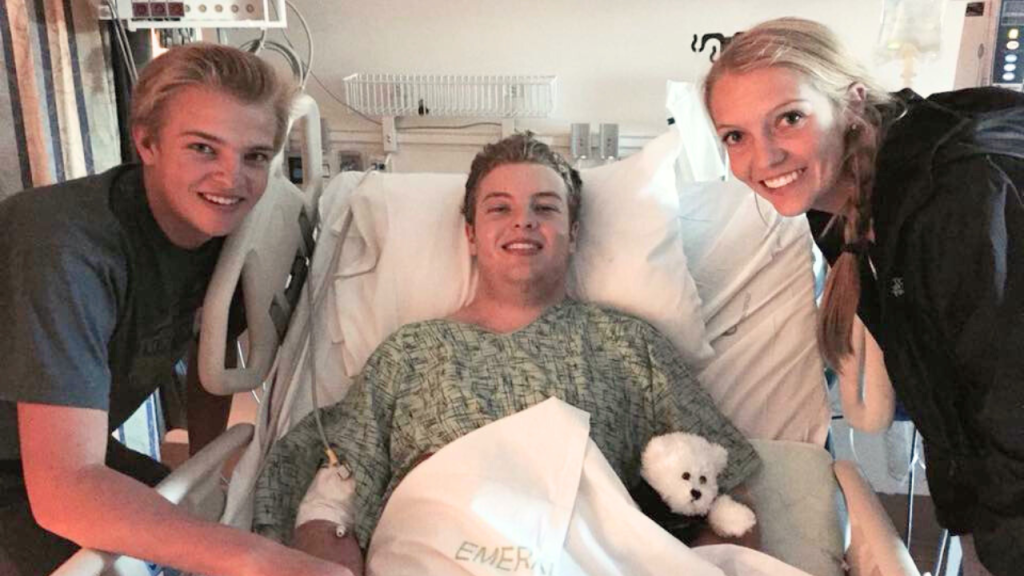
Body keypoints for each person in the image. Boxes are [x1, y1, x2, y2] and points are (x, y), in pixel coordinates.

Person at [251, 133, 763, 573]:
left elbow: (725, 498)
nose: (523, 222)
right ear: (471, 235)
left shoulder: (628, 343)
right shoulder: (409, 352)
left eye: (545, 207)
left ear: (573, 233)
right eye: (500, 208)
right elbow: (331, 502)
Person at [0, 43, 351, 576]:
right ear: (147, 142)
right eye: (203, 148)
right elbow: (65, 490)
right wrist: (258, 560)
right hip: (30, 473)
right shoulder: (65, 248)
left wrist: (214, 489)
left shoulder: (217, 230)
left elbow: (208, 356)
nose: (231, 179)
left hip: (55, 457)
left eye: (254, 155)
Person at [703, 17, 1023, 576]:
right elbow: (950, 393)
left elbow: (1009, 406)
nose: (765, 158)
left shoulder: (951, 203)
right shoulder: (833, 204)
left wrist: (1002, 550)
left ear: (851, 104)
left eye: (790, 118)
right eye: (736, 136)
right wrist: (968, 522)